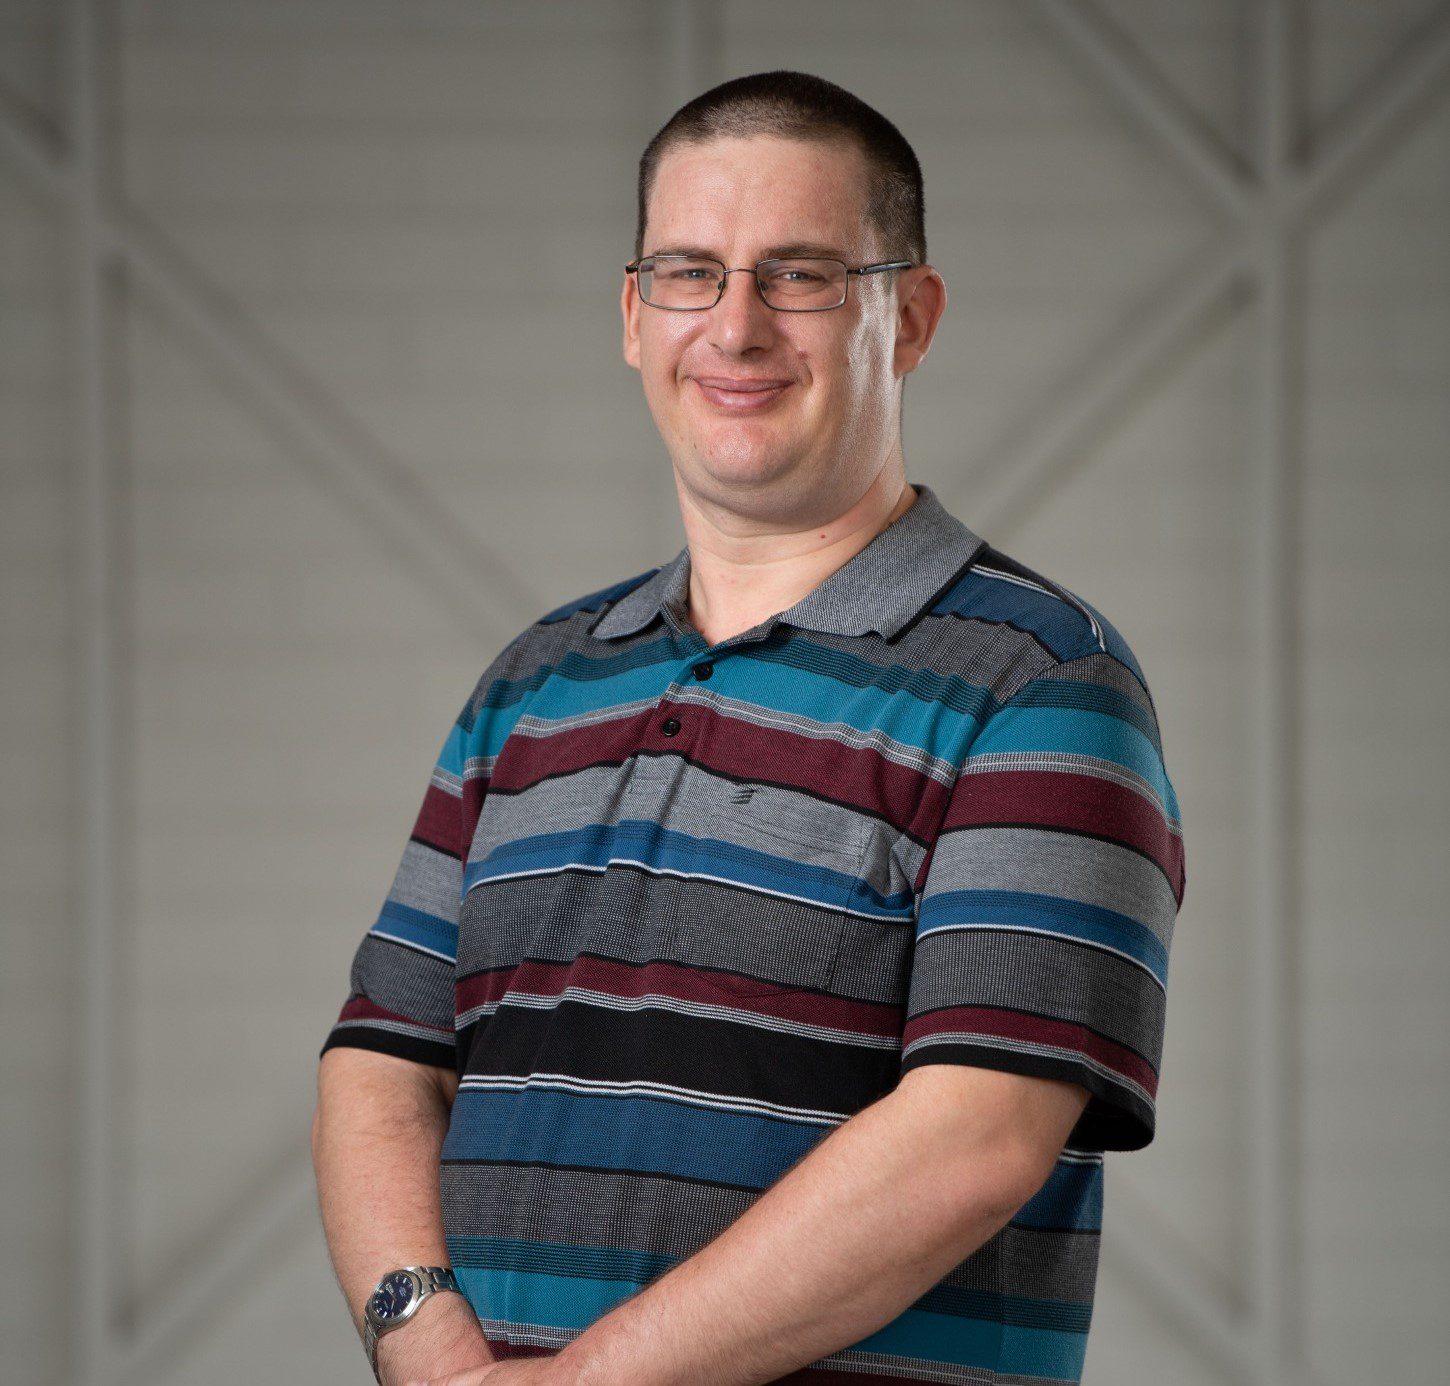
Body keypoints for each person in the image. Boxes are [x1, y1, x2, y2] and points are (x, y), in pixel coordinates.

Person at [312, 69, 1186, 1386]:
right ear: (630, 312)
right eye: (688, 272)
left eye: (800, 275)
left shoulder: (1044, 678)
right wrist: (430, 1350)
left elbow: (974, 1137)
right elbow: (380, 1063)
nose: (734, 325)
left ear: (911, 317)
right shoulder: (535, 680)